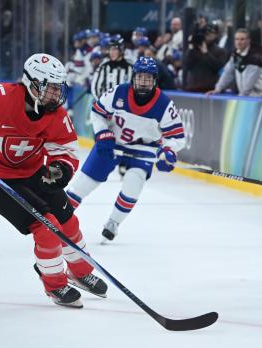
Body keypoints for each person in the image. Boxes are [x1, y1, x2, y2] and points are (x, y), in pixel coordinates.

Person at [0, 53, 108, 308]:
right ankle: (54, 284)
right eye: (50, 88)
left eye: (58, 88)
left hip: (32, 174)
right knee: (47, 226)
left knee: (67, 220)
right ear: (31, 83)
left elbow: (65, 150)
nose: (56, 94)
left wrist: (57, 172)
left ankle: (79, 270)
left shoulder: (55, 114)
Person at [66, 57, 185, 242]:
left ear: (154, 80)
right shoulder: (119, 92)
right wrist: (103, 134)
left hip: (143, 148)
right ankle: (60, 216)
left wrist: (167, 152)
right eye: (140, 77)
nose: (143, 82)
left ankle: (113, 222)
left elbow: (176, 137)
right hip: (112, 144)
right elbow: (98, 113)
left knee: (133, 185)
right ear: (133, 77)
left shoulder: (163, 104)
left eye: (148, 78)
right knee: (85, 183)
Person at [207, 28, 262, 97]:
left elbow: (249, 83)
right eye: (236, 39)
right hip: (246, 96)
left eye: (242, 39)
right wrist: (217, 89)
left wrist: (240, 98)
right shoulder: (235, 55)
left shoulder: (254, 57)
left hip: (261, 97)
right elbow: (227, 73)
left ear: (248, 40)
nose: (238, 42)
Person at [183, 22, 228, 92]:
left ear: (216, 34)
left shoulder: (221, 51)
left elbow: (217, 68)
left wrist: (206, 53)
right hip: (192, 88)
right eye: (206, 32)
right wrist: (191, 48)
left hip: (209, 89)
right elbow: (187, 65)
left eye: (211, 32)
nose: (208, 35)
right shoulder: (194, 49)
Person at [91, 34, 133, 99]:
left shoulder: (130, 68)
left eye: (114, 49)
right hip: (107, 105)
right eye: (110, 50)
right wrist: (102, 103)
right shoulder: (103, 67)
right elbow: (95, 88)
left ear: (121, 50)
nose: (111, 52)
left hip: (125, 106)